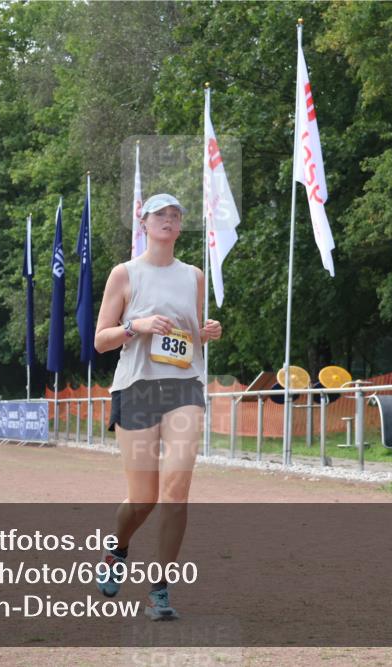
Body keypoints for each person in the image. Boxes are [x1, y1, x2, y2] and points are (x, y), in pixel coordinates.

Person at [93, 193, 222, 621]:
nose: (168, 220)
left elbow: (190, 336)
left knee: (176, 492)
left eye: (174, 215)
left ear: (180, 227)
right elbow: (101, 339)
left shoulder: (194, 276)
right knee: (143, 498)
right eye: (159, 215)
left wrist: (207, 332)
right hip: (137, 388)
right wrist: (138, 325)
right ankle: (117, 549)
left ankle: (160, 589)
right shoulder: (125, 274)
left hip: (184, 387)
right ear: (144, 223)